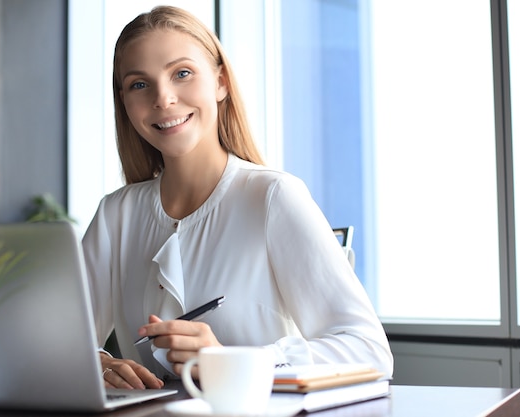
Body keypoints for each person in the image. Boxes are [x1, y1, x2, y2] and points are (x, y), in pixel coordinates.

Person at [82, 5, 393, 390]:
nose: (163, 99)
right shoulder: (116, 214)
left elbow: (369, 350)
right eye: (139, 84)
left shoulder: (273, 198)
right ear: (124, 102)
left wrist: (238, 361)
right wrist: (93, 364)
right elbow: (60, 346)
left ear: (221, 82)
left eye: (182, 73)